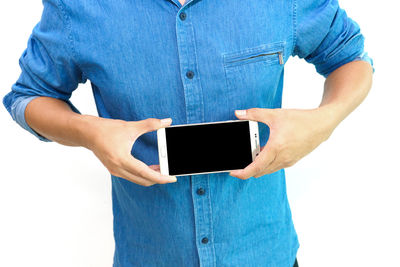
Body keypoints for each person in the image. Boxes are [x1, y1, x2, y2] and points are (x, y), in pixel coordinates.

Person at [3, 0, 373, 266]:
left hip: (265, 254)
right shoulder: (76, 7)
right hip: (149, 257)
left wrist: (323, 122)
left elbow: (351, 58)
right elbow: (29, 96)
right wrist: (89, 131)